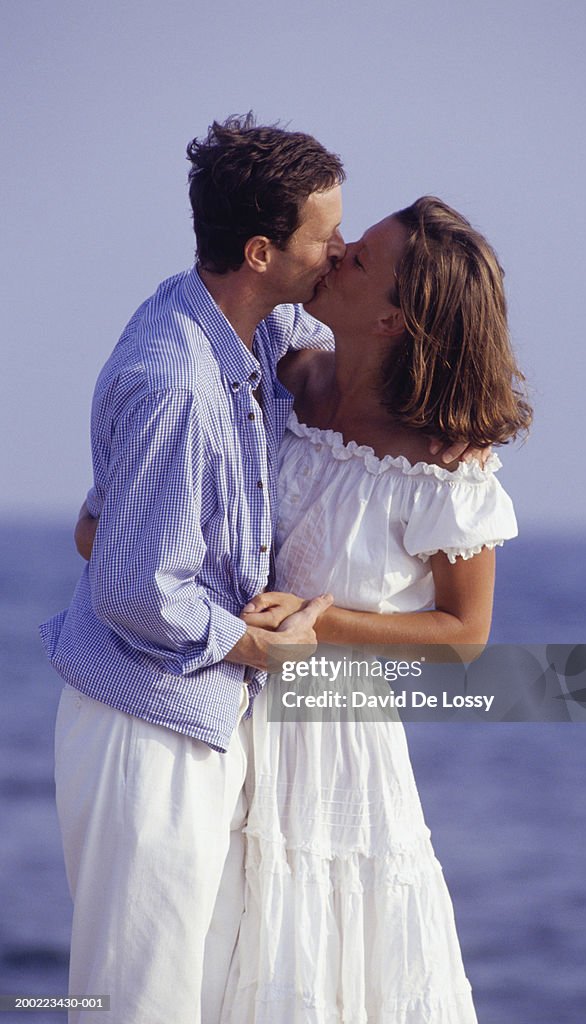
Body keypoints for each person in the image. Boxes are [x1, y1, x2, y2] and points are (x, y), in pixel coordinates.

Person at [40, 114, 349, 1024]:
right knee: (136, 1000)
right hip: (148, 723)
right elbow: (135, 590)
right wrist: (262, 649)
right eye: (326, 239)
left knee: (198, 991)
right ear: (260, 250)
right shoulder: (176, 378)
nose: (338, 252)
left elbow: (106, 533)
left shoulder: (241, 324)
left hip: (189, 713)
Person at [220, 197, 532, 1022]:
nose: (333, 252)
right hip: (214, 710)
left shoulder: (444, 464)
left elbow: (465, 635)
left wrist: (321, 622)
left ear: (394, 318)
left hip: (333, 746)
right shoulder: (277, 371)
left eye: (359, 257)